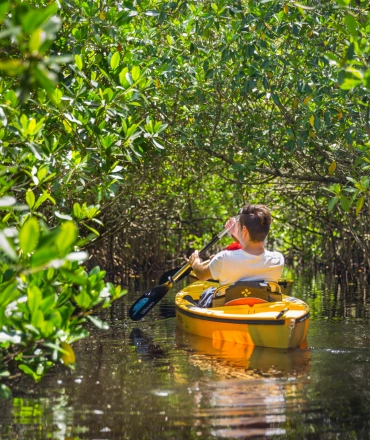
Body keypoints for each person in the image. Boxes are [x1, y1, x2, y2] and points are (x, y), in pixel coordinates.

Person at [186, 204, 284, 286]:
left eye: (240, 227)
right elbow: (249, 254)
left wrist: (195, 263)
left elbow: (202, 274)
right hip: (261, 306)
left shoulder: (224, 258)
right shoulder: (278, 259)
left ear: (244, 230)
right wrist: (238, 234)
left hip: (230, 306)